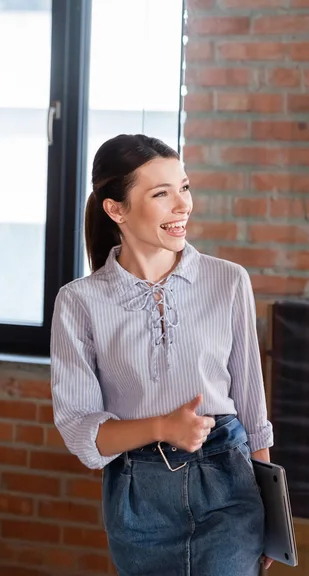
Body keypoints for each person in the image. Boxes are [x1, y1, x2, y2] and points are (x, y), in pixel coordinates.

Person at [50, 134, 274, 575]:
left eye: (184, 187)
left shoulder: (228, 281)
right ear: (117, 209)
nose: (183, 205)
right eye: (161, 193)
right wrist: (162, 426)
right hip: (137, 497)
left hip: (228, 485)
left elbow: (252, 404)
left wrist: (273, 509)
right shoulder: (79, 301)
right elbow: (81, 431)